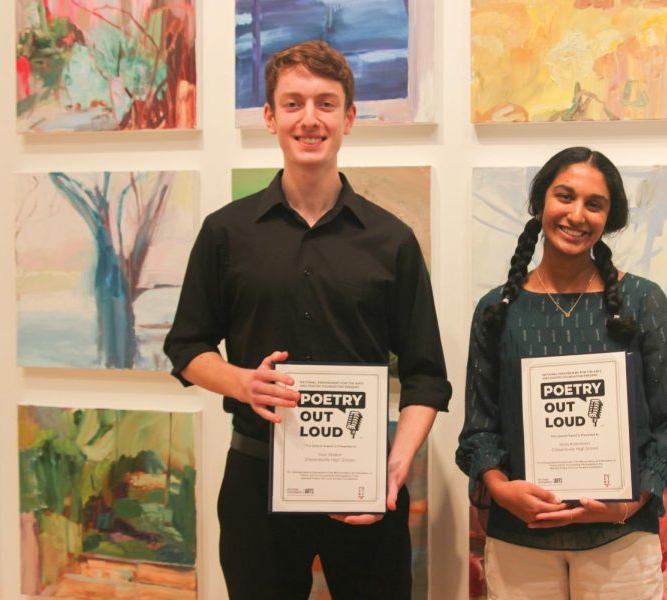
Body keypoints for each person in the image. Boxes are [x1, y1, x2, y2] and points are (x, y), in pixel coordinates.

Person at [164, 40, 451, 600]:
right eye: (293, 103)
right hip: (256, 479)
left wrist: (394, 469)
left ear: (348, 118)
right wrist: (243, 383)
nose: (309, 119)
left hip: (363, 484)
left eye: (325, 103)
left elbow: (427, 377)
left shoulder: (392, 240)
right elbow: (187, 348)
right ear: (270, 118)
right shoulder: (227, 233)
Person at [456, 147, 667, 599]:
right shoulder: (497, 310)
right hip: (519, 540)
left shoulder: (643, 301)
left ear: (610, 217)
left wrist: (630, 502)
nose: (576, 214)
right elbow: (479, 424)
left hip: (620, 540)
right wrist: (500, 488)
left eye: (594, 204)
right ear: (540, 204)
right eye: (564, 197)